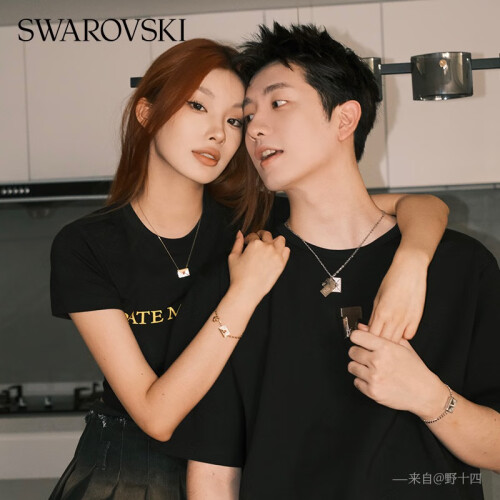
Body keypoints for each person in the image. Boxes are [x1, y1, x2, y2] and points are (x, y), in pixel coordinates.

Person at [49, 37, 448, 498]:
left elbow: (422, 205)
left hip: (236, 467)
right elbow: (156, 417)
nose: (219, 133)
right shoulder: (87, 246)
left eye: (235, 119)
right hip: (129, 473)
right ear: (146, 112)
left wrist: (411, 263)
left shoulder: (253, 221)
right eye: (198, 106)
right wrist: (243, 293)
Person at [163, 24, 500, 500]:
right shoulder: (238, 281)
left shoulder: (461, 268)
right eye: (248, 115)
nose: (254, 129)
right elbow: (215, 474)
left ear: (344, 120)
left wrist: (428, 397)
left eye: (279, 103)